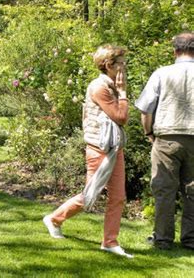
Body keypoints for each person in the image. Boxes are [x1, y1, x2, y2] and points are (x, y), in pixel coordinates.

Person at [43, 45, 133, 258]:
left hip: (114, 147)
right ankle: (54, 219)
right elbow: (121, 117)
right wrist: (123, 94)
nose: (124, 66)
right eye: (121, 62)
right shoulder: (100, 87)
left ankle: (110, 242)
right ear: (109, 65)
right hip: (99, 149)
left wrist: (120, 92)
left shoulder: (111, 85)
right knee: (89, 196)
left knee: (118, 197)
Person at [135, 32, 194, 250]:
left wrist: (149, 133)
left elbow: (145, 109)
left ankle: (163, 239)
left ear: (175, 51)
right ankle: (191, 240)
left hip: (167, 137)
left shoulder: (162, 73)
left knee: (164, 191)